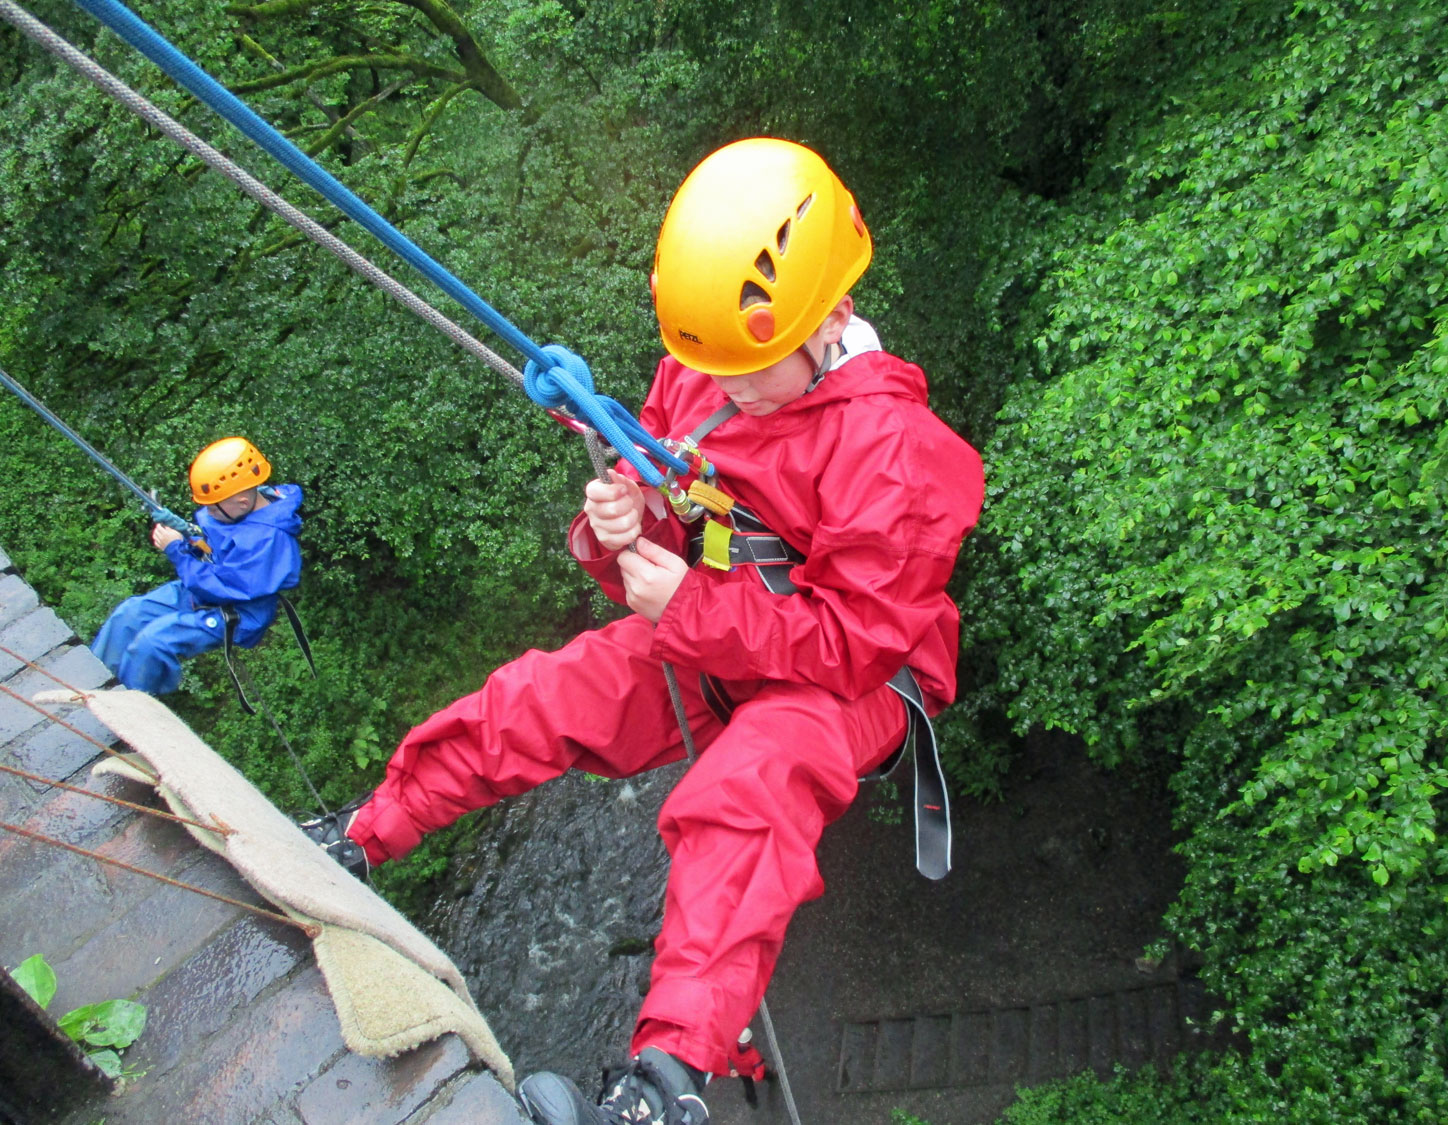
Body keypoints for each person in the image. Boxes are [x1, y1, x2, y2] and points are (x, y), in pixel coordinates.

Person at [303, 137, 985, 1125]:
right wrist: (618, 528)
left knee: (745, 793)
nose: (732, 391)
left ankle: (666, 1081)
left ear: (830, 317)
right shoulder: (705, 372)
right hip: (714, 641)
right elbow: (676, 510)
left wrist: (687, 607)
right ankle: (367, 836)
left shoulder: (897, 456)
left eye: (754, 369)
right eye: (718, 369)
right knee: (543, 698)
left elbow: (853, 645)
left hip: (842, 687)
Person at [90, 437, 303, 695]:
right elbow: (213, 544)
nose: (208, 513)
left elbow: (224, 586)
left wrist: (177, 551)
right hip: (202, 587)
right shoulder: (239, 507)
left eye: (212, 509)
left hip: (237, 609)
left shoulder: (267, 540)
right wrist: (185, 535)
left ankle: (128, 710)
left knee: (153, 644)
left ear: (242, 503)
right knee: (129, 614)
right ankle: (91, 682)